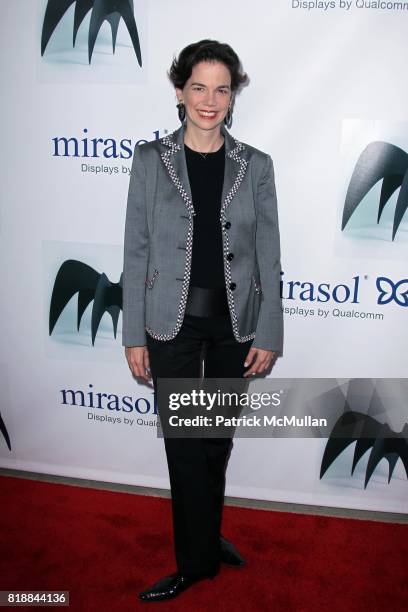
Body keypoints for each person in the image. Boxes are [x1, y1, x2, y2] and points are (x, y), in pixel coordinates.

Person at [122, 39, 283, 602]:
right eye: (198, 87)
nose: (209, 100)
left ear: (233, 94)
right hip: (171, 325)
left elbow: (269, 254)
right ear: (179, 91)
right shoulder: (150, 160)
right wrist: (132, 333)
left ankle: (207, 536)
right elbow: (136, 250)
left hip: (234, 326)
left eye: (221, 88)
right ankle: (194, 562)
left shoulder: (255, 166)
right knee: (185, 445)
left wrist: (269, 332)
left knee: (215, 441)